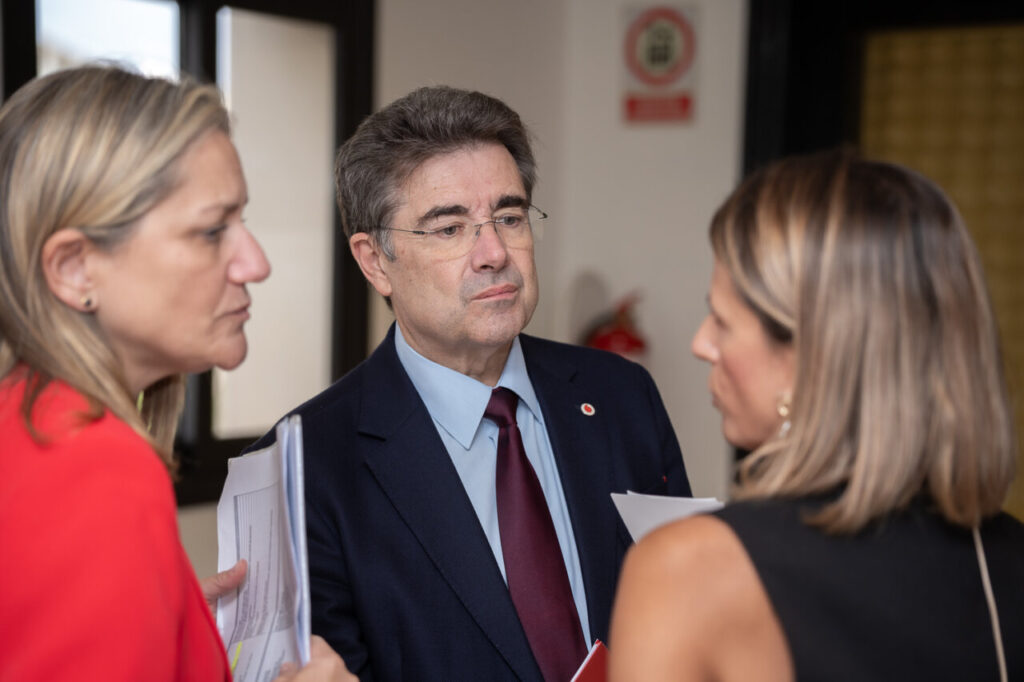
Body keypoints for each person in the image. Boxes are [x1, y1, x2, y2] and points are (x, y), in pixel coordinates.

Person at [248, 85, 691, 681]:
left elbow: (688, 610)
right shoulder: (298, 470)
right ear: (375, 261)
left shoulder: (621, 397)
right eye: (450, 229)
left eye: (509, 217)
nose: (493, 253)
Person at [608, 149, 1024, 681]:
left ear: (813, 354)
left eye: (722, 319)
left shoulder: (688, 570)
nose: (700, 343)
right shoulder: (1007, 559)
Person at [0, 65, 354, 682]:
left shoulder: (33, 421)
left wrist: (176, 620)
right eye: (211, 231)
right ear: (76, 268)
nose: (256, 263)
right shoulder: (95, 468)